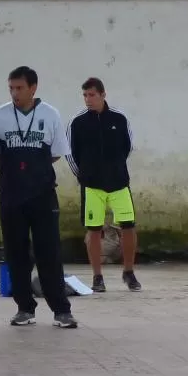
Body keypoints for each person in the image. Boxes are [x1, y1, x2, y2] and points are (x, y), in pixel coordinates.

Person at [0, 66, 78, 329]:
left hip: (42, 194)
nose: (15, 93)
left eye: (20, 88)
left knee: (49, 250)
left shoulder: (50, 115)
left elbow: (57, 152)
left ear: (33, 87)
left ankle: (61, 309)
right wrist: (17, 172)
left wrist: (34, 170)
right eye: (11, 88)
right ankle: (24, 307)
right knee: (16, 252)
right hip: (11, 194)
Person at [65, 77, 142, 292]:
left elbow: (128, 146)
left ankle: (129, 272)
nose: (88, 100)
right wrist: (84, 176)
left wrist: (115, 169)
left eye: (92, 95)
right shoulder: (77, 122)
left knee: (128, 226)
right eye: (85, 96)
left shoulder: (120, 117)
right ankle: (97, 277)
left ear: (102, 94)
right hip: (92, 186)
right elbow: (70, 153)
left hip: (119, 184)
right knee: (94, 230)